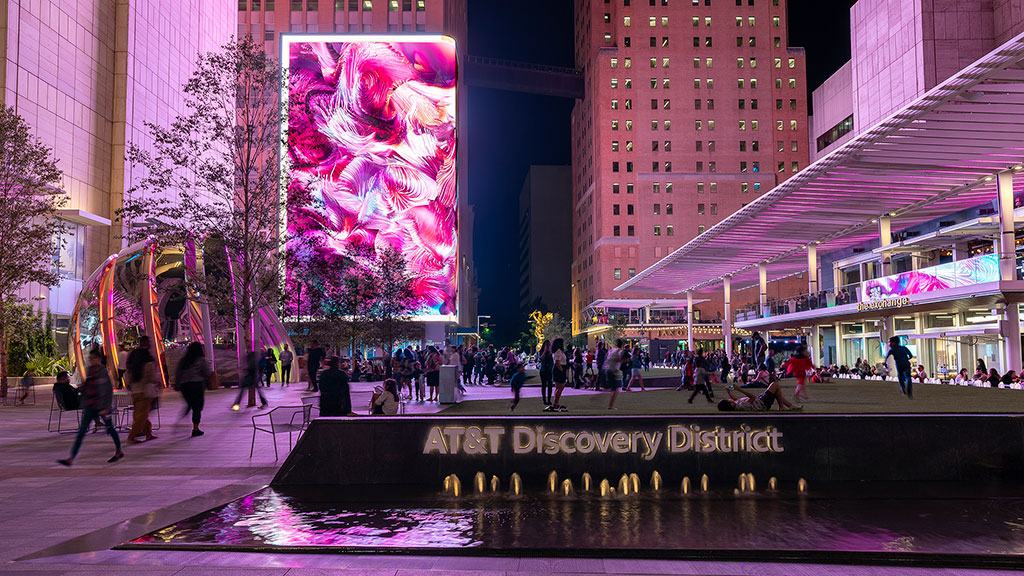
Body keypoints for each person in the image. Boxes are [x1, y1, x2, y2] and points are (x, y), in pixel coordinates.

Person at [58, 348, 123, 466]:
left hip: (101, 406)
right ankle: (71, 458)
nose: (91, 361)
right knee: (82, 431)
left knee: (110, 429)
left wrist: (106, 407)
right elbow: (88, 386)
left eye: (92, 358)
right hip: (90, 405)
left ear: (98, 359)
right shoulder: (90, 370)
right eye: (90, 358)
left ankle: (119, 451)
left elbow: (107, 391)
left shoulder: (103, 372)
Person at [125, 336, 158, 443]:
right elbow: (150, 375)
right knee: (142, 415)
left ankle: (148, 433)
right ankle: (132, 436)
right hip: (144, 389)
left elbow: (128, 371)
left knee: (139, 413)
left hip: (135, 389)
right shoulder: (147, 357)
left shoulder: (133, 355)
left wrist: (129, 384)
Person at [176, 342, 210, 437]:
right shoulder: (201, 360)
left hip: (184, 386)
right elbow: (206, 372)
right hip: (196, 385)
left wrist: (177, 384)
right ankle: (195, 428)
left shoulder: (183, 360)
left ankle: (184, 415)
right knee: (197, 407)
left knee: (190, 403)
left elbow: (178, 372)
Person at [718, 380, 798, 412]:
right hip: (762, 403)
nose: (729, 399)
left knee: (776, 392)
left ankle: (790, 406)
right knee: (775, 385)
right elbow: (752, 398)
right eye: (728, 400)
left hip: (760, 401)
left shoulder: (736, 405)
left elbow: (736, 399)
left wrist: (729, 393)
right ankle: (782, 407)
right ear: (730, 404)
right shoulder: (742, 406)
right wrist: (739, 389)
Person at [547, 338, 569, 412]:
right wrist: (562, 370)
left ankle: (556, 403)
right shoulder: (558, 351)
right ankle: (555, 403)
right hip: (559, 369)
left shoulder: (558, 351)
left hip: (559, 368)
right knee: (560, 387)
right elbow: (557, 362)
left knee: (558, 387)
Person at [603, 340, 624, 410]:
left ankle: (610, 405)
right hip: (611, 371)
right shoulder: (617, 351)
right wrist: (623, 360)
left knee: (614, 389)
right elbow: (615, 359)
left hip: (609, 371)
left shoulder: (612, 350)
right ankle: (610, 406)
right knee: (615, 390)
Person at [538, 340, 553, 407]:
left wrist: (549, 350)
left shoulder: (551, 352)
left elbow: (553, 358)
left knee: (550, 385)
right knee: (544, 385)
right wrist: (544, 350)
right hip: (543, 370)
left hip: (549, 370)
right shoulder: (541, 352)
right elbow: (541, 358)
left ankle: (549, 400)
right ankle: (544, 400)